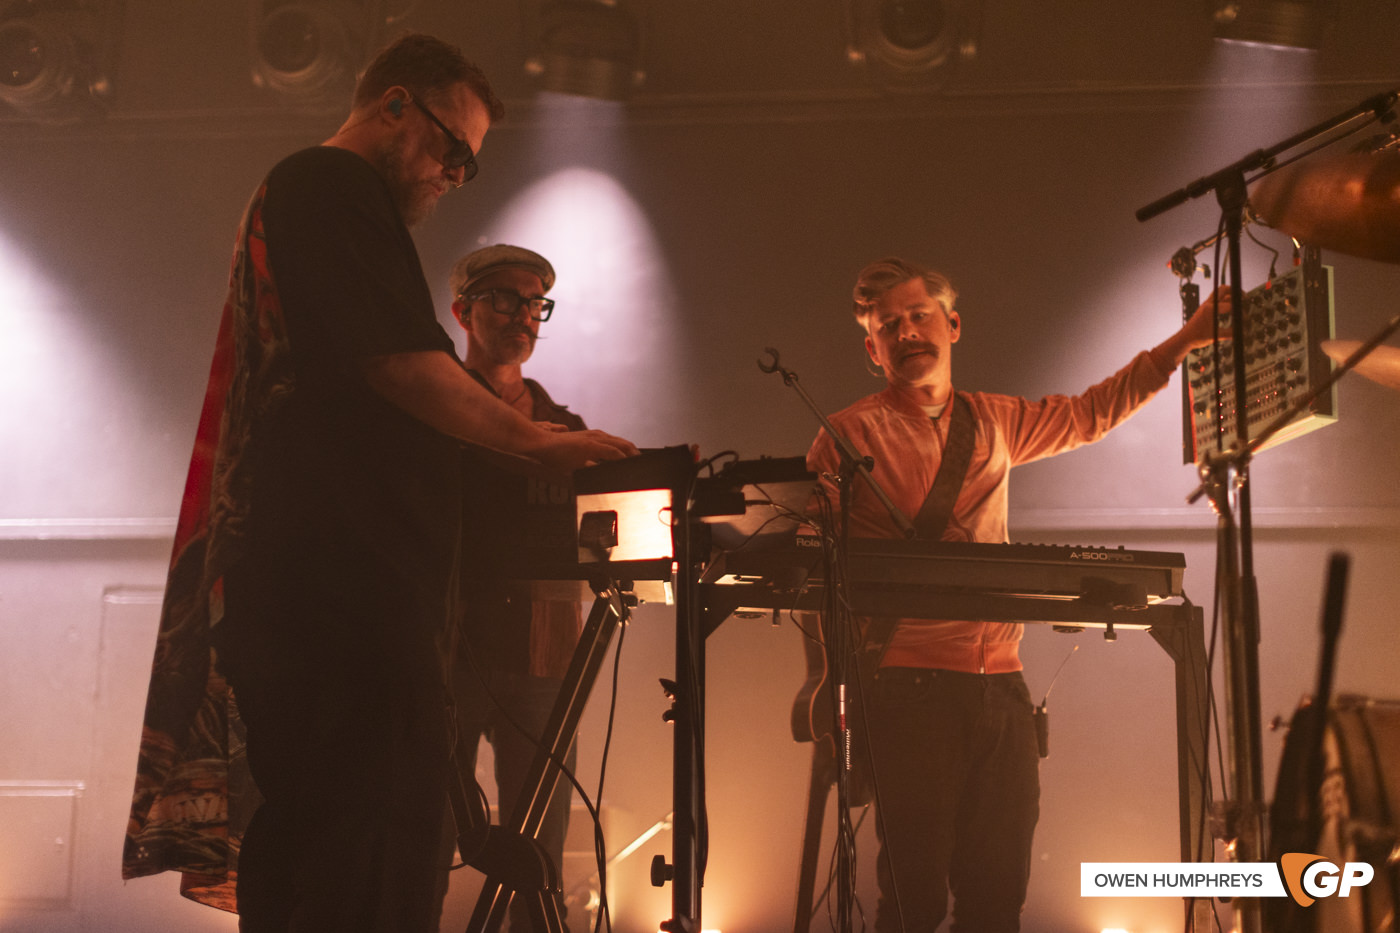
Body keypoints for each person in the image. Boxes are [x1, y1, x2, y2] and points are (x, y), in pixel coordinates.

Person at [121, 34, 635, 933]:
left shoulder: (332, 204)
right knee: (358, 860)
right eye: (452, 146)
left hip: (329, 600)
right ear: (395, 105)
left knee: (345, 851)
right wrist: (534, 443)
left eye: (469, 163)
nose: (454, 172)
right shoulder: (328, 186)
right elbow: (400, 363)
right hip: (334, 607)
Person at [804, 256, 1225, 933]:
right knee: (911, 904)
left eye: (917, 315)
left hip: (1003, 687)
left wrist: (1185, 341)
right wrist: (829, 682)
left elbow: (1090, 414)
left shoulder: (995, 419)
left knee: (998, 903)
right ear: (871, 348)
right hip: (906, 687)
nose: (907, 330)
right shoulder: (846, 436)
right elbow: (811, 571)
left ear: (953, 324)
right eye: (889, 324)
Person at [439, 244, 589, 930]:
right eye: (505, 299)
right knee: (428, 837)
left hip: (543, 652)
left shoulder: (568, 429)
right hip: (449, 649)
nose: (523, 316)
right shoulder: (432, 411)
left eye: (535, 304)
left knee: (539, 855)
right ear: (463, 310)